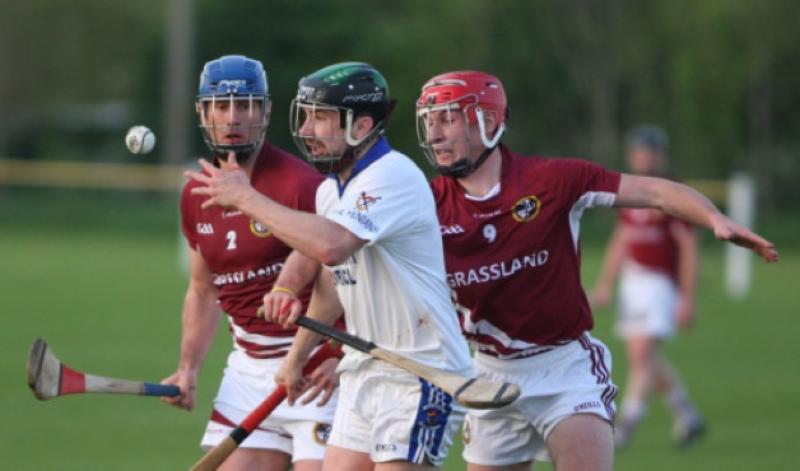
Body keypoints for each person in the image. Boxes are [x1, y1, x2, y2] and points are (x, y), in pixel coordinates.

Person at [415, 71, 778, 471]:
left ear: (488, 121)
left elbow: (656, 191)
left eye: (447, 119)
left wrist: (714, 219)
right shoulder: (423, 204)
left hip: (563, 370)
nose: (434, 135)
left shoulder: (552, 180)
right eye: (430, 121)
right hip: (489, 374)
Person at [186, 62, 475, 470]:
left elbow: (332, 247)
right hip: (365, 369)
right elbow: (333, 285)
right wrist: (297, 356)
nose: (305, 130)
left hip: (421, 372)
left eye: (320, 118)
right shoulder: (331, 191)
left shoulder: (391, 177)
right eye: (305, 116)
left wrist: (246, 198)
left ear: (361, 126)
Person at [161, 54, 340, 471]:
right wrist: (188, 369)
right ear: (202, 112)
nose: (233, 117)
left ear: (266, 111)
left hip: (316, 368)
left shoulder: (303, 184)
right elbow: (203, 291)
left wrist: (335, 352)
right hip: (249, 373)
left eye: (246, 105)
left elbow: (345, 275)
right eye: (221, 106)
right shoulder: (196, 194)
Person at [591, 125, 704, 449]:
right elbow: (621, 240)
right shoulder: (629, 189)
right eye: (640, 151)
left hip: (660, 284)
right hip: (633, 282)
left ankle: (625, 426)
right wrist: (606, 284)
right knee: (645, 358)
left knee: (642, 354)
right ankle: (687, 414)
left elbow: (688, 247)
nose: (645, 157)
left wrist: (687, 297)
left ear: (660, 156)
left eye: (650, 152)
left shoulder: (672, 192)